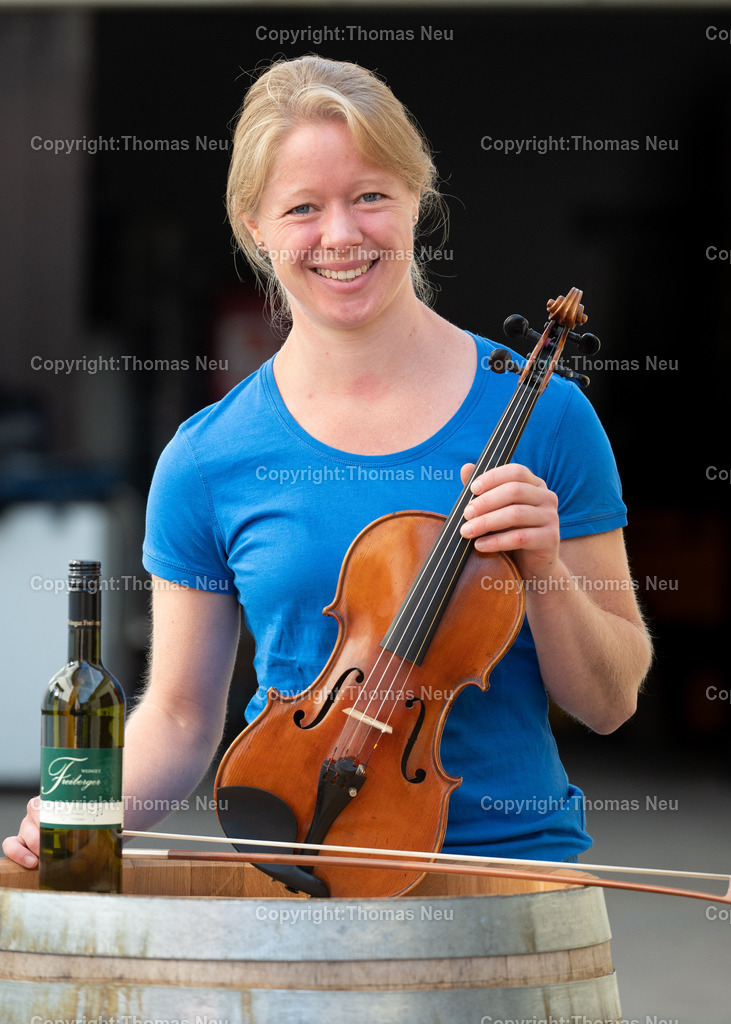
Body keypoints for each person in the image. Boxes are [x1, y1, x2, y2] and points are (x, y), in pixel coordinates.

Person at [4, 55, 651, 873]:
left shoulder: (547, 415)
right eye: (302, 207)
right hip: (299, 874)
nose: (340, 235)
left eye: (370, 196)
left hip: (507, 876)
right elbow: (176, 716)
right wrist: (83, 808)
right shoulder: (209, 458)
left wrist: (548, 572)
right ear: (254, 228)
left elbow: (609, 703)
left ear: (418, 199)